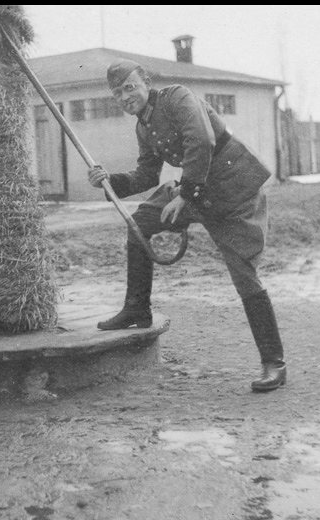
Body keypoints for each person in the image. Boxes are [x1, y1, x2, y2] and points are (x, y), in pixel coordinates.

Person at [87, 59, 286, 392]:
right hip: (196, 190)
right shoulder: (143, 127)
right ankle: (137, 307)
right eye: (118, 93)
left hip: (234, 189)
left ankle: (274, 363)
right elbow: (146, 176)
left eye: (130, 87)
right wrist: (109, 182)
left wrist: (188, 196)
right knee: (140, 222)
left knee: (243, 272)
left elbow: (202, 141)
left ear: (145, 83)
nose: (125, 97)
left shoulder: (176, 97)